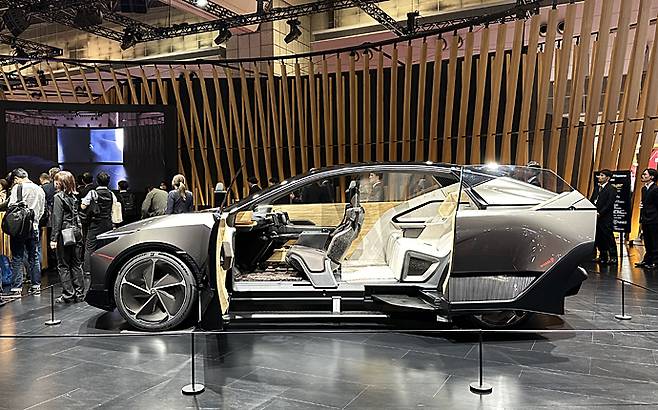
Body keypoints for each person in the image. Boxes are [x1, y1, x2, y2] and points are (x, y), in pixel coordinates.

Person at [5, 168, 45, 297]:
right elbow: (42, 210)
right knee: (34, 256)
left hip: (20, 228)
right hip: (34, 227)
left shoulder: (18, 188)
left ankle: (16, 288)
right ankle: (36, 286)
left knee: (17, 257)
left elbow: (11, 207)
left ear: (16, 178)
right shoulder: (39, 189)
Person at [50, 171, 84, 303]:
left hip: (65, 233)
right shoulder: (75, 197)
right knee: (76, 264)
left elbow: (57, 219)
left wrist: (53, 238)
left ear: (61, 183)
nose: (55, 183)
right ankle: (80, 294)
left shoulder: (58, 197)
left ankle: (68, 294)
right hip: (76, 232)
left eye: (56, 181)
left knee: (63, 265)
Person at [81, 172, 116, 275]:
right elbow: (114, 208)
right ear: (108, 182)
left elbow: (83, 206)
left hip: (95, 223)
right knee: (106, 247)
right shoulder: (111, 194)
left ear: (97, 181)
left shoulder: (92, 193)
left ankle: (87, 270)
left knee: (90, 247)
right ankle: (106, 269)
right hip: (108, 223)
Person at [590, 169, 617, 264]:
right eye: (599, 175)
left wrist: (600, 213)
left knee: (608, 237)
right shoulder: (597, 188)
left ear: (608, 178)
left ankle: (613, 257)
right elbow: (592, 200)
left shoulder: (611, 189)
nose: (599, 177)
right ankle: (603, 256)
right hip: (596, 216)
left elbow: (609, 204)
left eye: (602, 175)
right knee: (599, 237)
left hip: (605, 217)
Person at [636, 168, 658, 269]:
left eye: (645, 174)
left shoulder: (655, 189)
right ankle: (647, 259)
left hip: (654, 219)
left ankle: (655, 261)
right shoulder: (644, 189)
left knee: (654, 241)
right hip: (645, 218)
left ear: (652, 177)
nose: (643, 176)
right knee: (647, 240)